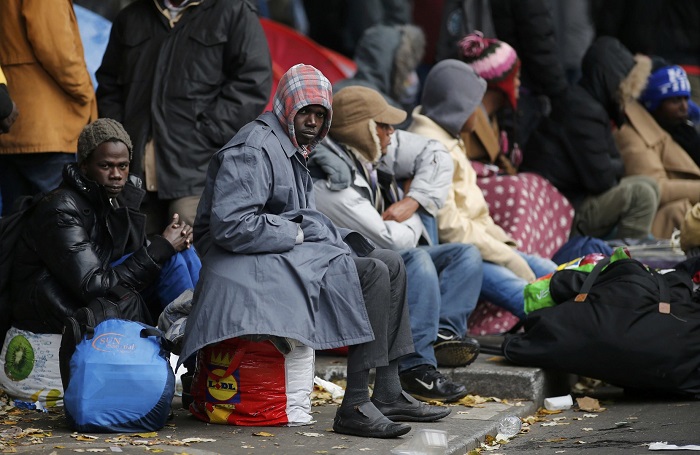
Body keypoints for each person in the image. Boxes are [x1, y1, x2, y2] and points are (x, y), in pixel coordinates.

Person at [180, 64, 450, 439]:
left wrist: (318, 234)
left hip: (272, 250)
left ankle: (387, 391)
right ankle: (355, 403)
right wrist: (299, 233)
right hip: (239, 262)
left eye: (320, 114)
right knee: (369, 272)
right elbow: (231, 226)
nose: (311, 121)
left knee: (390, 261)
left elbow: (299, 218)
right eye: (305, 111)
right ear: (287, 108)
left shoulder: (293, 145)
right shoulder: (254, 148)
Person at [2, 118, 200, 403]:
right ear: (84, 166)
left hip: (95, 290)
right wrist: (161, 247)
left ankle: (201, 353)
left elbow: (127, 257)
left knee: (182, 253)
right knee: (168, 254)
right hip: (59, 305)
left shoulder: (115, 197)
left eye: (123, 166)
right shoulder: (61, 208)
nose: (117, 175)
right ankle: (196, 361)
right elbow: (93, 284)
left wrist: (171, 243)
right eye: (106, 166)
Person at [309, 85, 482, 403]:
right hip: (353, 276)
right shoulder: (330, 181)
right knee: (417, 260)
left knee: (467, 254)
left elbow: (435, 153)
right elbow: (385, 238)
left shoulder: (369, 155)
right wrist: (415, 210)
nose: (392, 133)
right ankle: (417, 368)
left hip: (385, 258)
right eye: (383, 125)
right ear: (361, 130)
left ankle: (442, 335)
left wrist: (412, 200)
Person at [96, 0, 272, 235]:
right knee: (138, 260)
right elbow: (109, 87)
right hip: (136, 173)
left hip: (197, 169)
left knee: (191, 261)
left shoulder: (233, 11)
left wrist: (207, 133)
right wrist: (120, 137)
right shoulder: (131, 17)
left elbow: (252, 82)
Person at [408, 59, 557, 320]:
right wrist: (506, 257)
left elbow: (475, 215)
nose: (479, 113)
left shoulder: (448, 137)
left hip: (479, 244)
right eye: (472, 104)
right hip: (460, 256)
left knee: (554, 273)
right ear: (456, 106)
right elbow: (449, 228)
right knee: (531, 296)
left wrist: (506, 249)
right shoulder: (433, 149)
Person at [520, 37, 661, 240]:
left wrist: (612, 165)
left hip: (571, 199)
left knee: (650, 185)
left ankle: (631, 250)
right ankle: (628, 262)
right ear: (612, 78)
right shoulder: (583, 110)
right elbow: (602, 180)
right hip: (561, 211)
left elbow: (613, 166)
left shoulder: (588, 104)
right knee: (642, 194)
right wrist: (613, 166)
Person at [0, 0, 97, 216]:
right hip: (48, 126)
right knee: (63, 223)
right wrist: (85, 91)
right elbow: (57, 50)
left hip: (12, 120)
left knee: (15, 227)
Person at [615, 65, 700, 238]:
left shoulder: (681, 130)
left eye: (686, 99)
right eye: (675, 100)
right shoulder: (632, 135)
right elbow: (655, 188)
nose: (684, 107)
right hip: (657, 224)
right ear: (654, 104)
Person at [458, 32, 521, 173]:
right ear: (499, 84)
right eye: (515, 77)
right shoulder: (466, 122)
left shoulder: (491, 118)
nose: (518, 83)